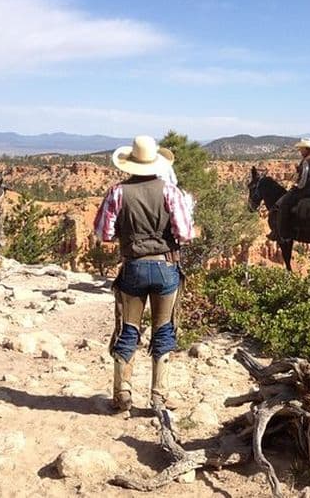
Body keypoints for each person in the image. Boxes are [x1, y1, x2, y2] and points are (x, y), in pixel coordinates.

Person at [94, 135, 195, 413]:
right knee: (164, 330)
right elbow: (185, 234)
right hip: (166, 268)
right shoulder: (170, 191)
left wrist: (128, 235)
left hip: (133, 267)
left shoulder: (117, 192)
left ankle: (122, 393)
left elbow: (104, 233)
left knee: (128, 329)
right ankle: (159, 396)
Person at [270, 137, 310, 241]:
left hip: (304, 191)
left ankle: (283, 234)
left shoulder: (306, 161)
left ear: (306, 149)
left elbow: (303, 180)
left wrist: (296, 187)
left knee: (283, 205)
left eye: (301, 149)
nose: (300, 151)